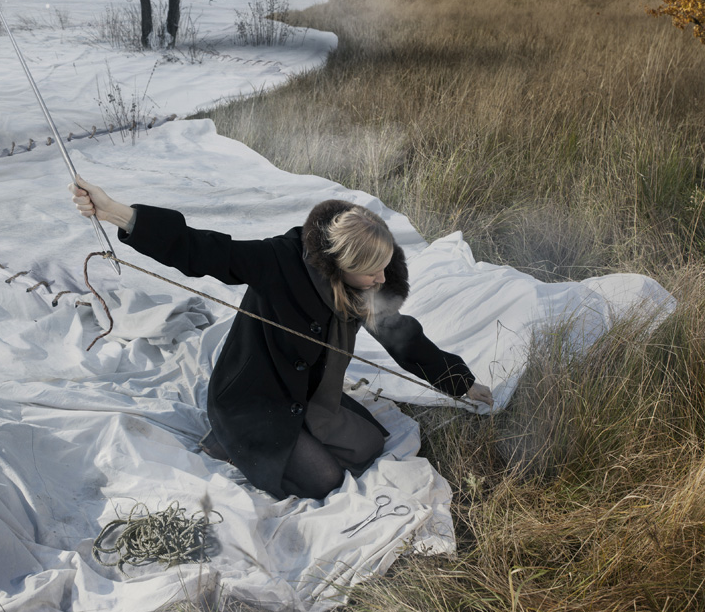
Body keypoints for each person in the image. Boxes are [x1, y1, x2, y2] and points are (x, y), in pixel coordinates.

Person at [70, 178, 494, 500]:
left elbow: (403, 337)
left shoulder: (364, 286)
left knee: (369, 445)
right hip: (254, 397)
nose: (381, 279)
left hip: (307, 395)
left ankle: (282, 440)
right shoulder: (279, 261)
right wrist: (117, 214)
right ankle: (227, 438)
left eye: (385, 268)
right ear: (341, 264)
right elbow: (203, 250)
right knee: (324, 481)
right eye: (371, 272)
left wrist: (459, 383)